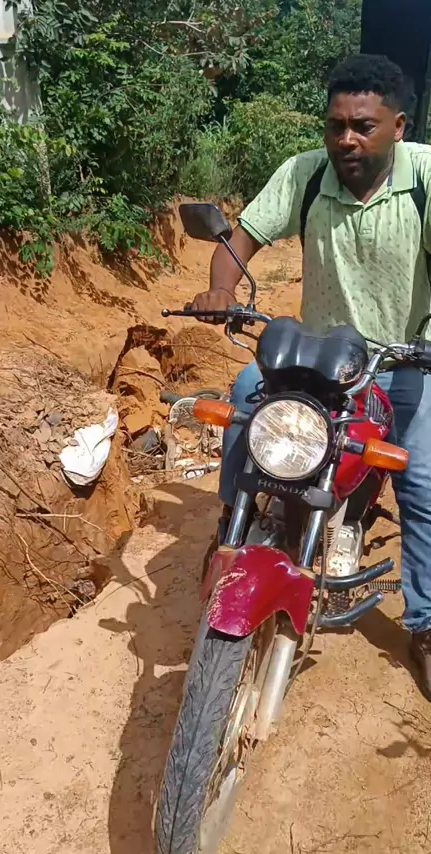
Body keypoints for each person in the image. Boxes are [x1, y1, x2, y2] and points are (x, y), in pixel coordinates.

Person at [191, 54, 431, 700]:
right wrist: (221, 290)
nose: (346, 139)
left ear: (398, 127)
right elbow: (240, 240)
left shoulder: (424, 179)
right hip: (319, 358)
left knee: (423, 483)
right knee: (243, 399)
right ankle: (232, 527)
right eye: (335, 125)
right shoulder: (304, 173)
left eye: (363, 126)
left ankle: (425, 622)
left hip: (405, 360)